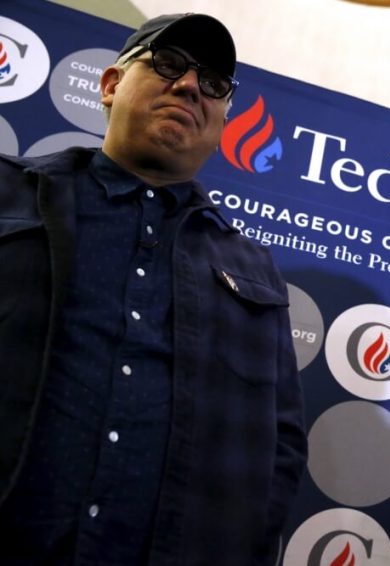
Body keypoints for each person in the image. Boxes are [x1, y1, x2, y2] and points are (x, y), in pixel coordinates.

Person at [0, 13, 307, 564]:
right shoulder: (9, 195)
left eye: (212, 83)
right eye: (167, 64)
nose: (189, 86)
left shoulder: (255, 271)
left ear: (222, 122)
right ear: (110, 85)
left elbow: (278, 446)